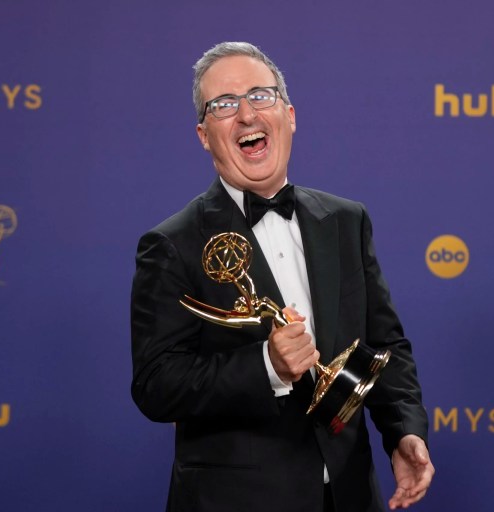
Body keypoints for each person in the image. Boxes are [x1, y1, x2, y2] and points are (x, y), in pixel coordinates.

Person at [131, 41, 434, 512]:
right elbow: (155, 385)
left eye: (260, 95)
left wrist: (404, 433)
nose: (247, 114)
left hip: (352, 497)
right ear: (203, 135)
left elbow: (383, 345)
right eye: (224, 105)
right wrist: (266, 366)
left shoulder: (346, 220)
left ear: (289, 115)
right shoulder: (173, 244)